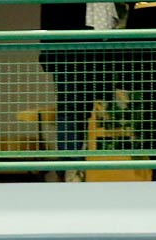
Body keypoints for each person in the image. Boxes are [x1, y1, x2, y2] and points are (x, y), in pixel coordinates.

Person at [38, 2, 119, 180]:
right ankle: (70, 170)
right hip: (68, 38)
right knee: (70, 108)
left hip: (92, 41)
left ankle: (74, 168)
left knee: (82, 109)